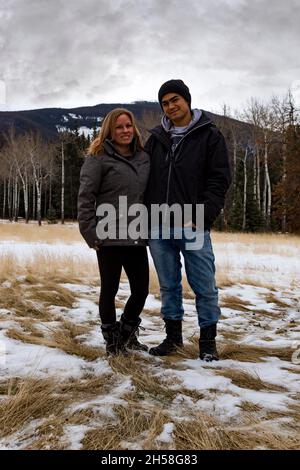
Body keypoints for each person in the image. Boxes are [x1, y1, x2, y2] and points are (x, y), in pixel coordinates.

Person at [145, 79, 231, 361]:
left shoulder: (209, 135)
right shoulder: (157, 138)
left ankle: (208, 343)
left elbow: (219, 180)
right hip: (158, 224)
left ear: (186, 100)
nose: (170, 106)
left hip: (191, 224)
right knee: (168, 285)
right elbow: (144, 178)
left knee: (204, 285)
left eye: (174, 100)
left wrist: (203, 215)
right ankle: (173, 339)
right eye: (165, 103)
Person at [78, 108, 150, 355]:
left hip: (136, 235)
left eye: (128, 126)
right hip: (107, 235)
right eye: (119, 127)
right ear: (110, 130)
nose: (125, 131)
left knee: (141, 290)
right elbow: (86, 196)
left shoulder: (143, 157)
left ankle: (127, 335)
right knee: (109, 289)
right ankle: (112, 343)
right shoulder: (98, 157)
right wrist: (89, 232)